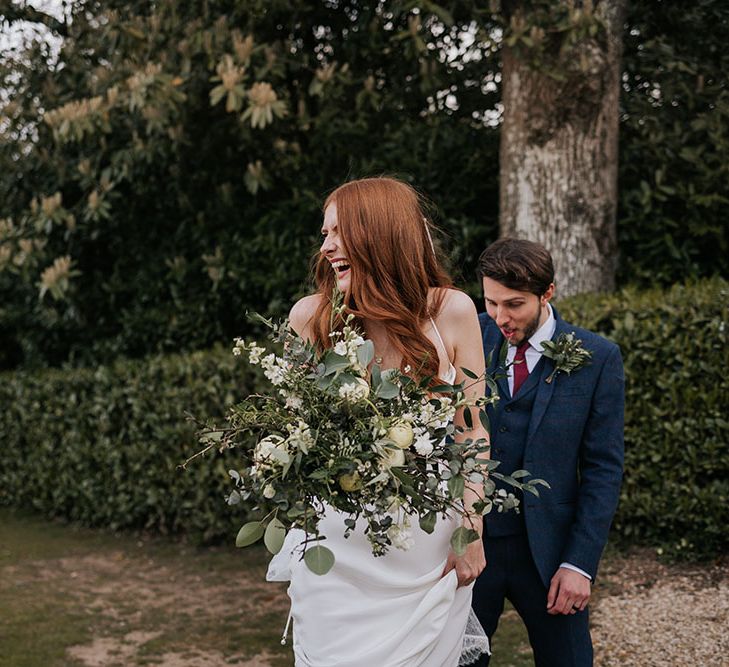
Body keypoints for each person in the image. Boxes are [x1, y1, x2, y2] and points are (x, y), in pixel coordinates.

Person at [266, 176, 490, 666]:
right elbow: (292, 433)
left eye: (338, 232)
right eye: (324, 234)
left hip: (426, 555)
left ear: (380, 234)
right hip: (336, 554)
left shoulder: (451, 312)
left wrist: (470, 528)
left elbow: (472, 431)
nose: (326, 247)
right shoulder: (309, 319)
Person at [471, 238, 625, 666]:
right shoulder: (467, 336)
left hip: (549, 552)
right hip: (470, 544)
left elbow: (603, 470)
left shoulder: (598, 358)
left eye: (514, 304)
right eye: (491, 302)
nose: (501, 317)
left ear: (548, 293)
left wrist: (579, 564)